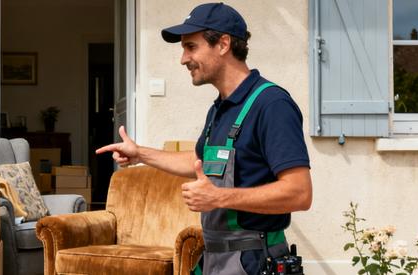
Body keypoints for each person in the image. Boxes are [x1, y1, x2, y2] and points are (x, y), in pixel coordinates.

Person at [95, 3, 312, 275]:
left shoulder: (271, 105)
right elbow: (200, 160)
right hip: (214, 259)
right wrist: (140, 153)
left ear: (223, 44)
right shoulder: (220, 108)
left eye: (191, 47)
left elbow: (300, 192)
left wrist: (219, 197)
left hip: (254, 262)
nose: (183, 59)